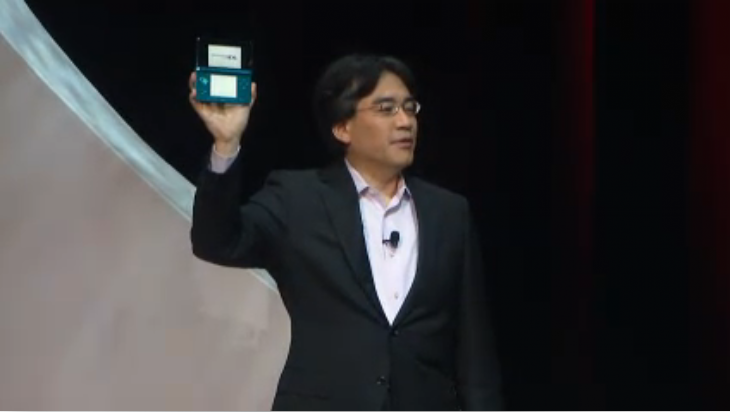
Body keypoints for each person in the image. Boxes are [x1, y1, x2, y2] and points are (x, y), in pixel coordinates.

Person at [188, 54, 503, 411]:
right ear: (343, 128)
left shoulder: (449, 213)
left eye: (410, 108)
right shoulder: (298, 199)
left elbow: (475, 352)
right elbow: (218, 242)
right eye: (386, 109)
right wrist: (225, 146)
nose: (405, 122)